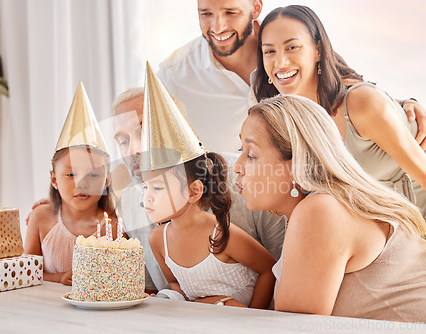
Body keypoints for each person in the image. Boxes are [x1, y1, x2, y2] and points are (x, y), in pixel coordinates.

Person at [234, 94, 426, 321]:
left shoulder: (321, 211)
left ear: (297, 165)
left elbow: (292, 328)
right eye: (240, 151)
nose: (237, 166)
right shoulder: (324, 206)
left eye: (252, 155)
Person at [157, 0, 426, 154]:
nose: (218, 27)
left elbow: (342, 87)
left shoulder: (291, 45)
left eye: (230, 12)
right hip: (238, 206)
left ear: (255, 6)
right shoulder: (173, 76)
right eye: (206, 14)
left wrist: (403, 105)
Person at [252, 5, 426, 216]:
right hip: (378, 233)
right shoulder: (288, 117)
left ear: (317, 50)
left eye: (292, 47)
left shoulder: (361, 104)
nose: (280, 62)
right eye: (269, 51)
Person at [112, 86, 285, 293]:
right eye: (123, 141)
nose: (133, 150)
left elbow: (283, 272)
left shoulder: (245, 178)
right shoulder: (129, 204)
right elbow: (152, 292)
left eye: (145, 132)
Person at [143, 63, 275, 308]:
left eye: (158, 188)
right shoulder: (157, 239)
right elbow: (174, 283)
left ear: (194, 191)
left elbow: (269, 270)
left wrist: (251, 319)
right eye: (146, 188)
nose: (147, 198)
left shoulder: (222, 235)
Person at [24, 83, 119, 285]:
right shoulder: (41, 218)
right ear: (54, 179)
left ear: (106, 180)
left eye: (93, 175)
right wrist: (59, 278)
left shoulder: (113, 225)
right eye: (71, 175)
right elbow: (28, 271)